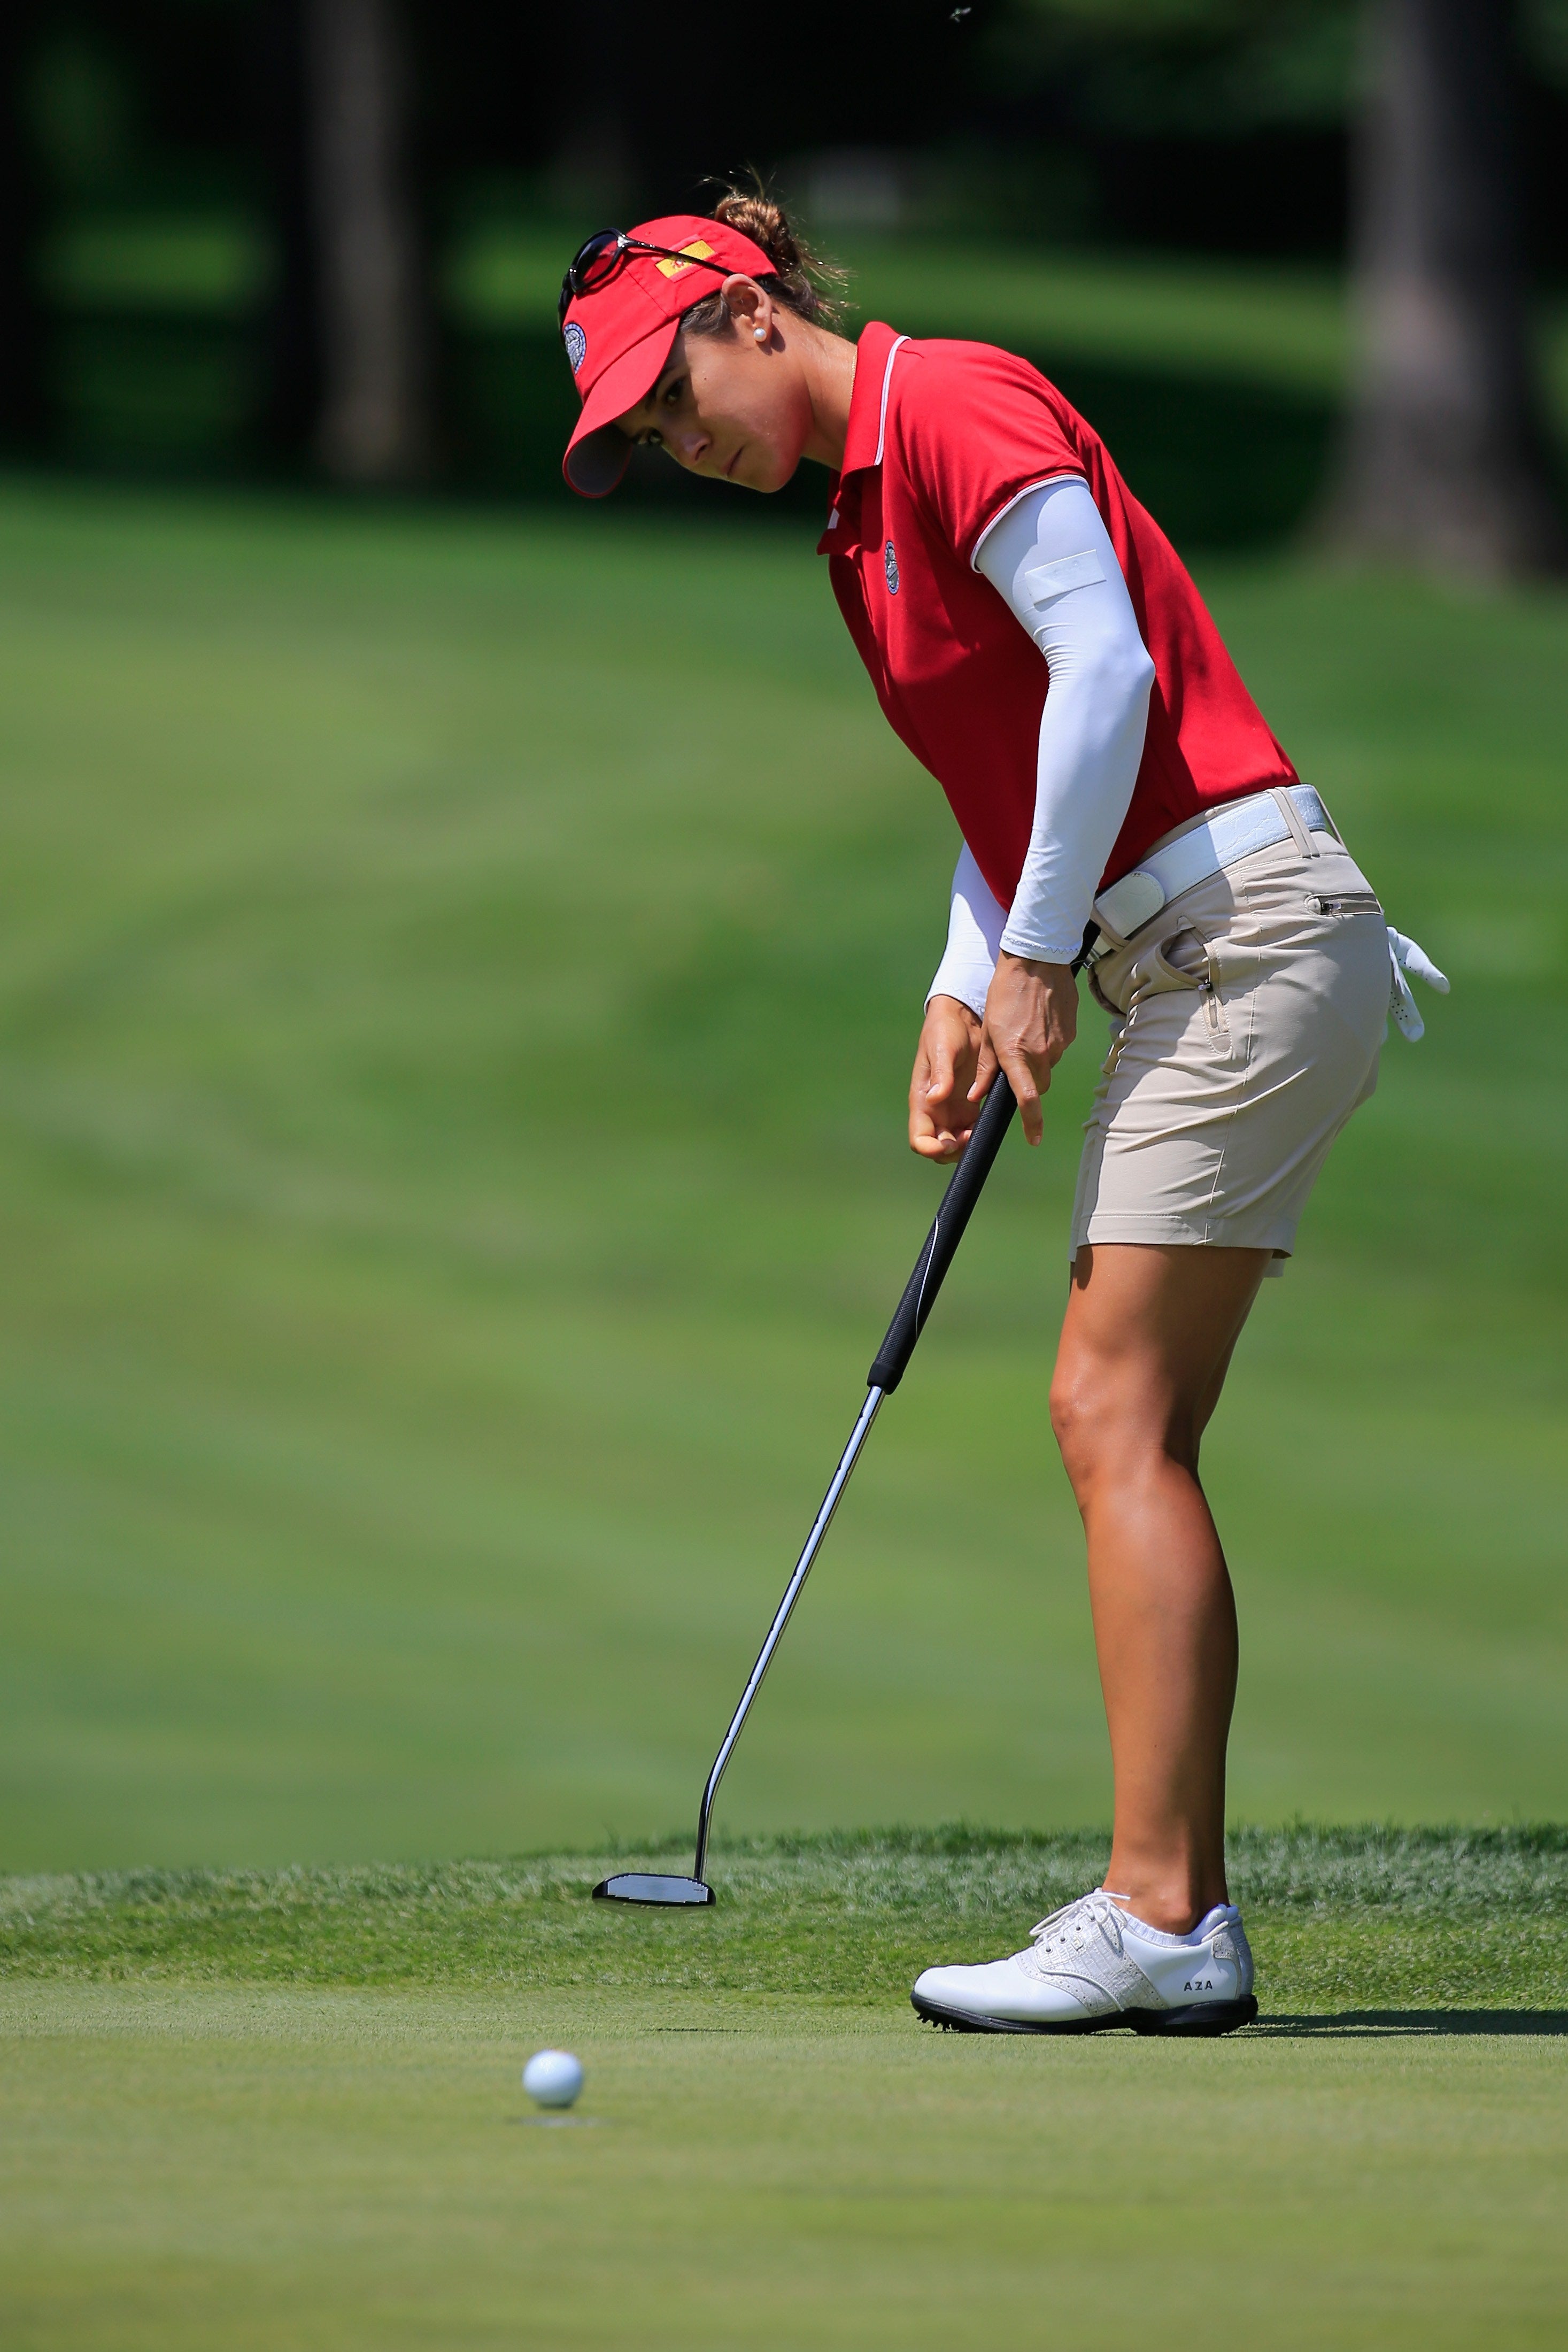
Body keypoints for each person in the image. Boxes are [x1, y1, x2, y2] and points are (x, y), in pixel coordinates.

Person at [557, 193, 1446, 2036]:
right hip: (1196, 950)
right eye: (642, 438)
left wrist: (1040, 954)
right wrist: (972, 980)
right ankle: (1174, 1918)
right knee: (1141, 1426)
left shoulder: (950, 404)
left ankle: (1158, 1914)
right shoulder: (854, 534)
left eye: (672, 395)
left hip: (1240, 936)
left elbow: (1110, 668)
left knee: (1105, 1408)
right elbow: (1014, 760)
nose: (680, 442)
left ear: (746, 309)